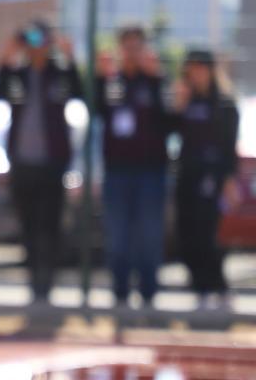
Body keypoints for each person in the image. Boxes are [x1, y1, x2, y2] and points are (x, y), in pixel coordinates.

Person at [0, 20, 83, 305]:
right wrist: (8, 55)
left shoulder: (58, 74)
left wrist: (68, 56)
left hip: (52, 165)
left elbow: (80, 92)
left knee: (50, 227)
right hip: (23, 165)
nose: (37, 47)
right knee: (29, 227)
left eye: (42, 40)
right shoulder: (18, 75)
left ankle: (47, 285)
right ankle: (34, 284)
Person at [93, 25, 169, 311]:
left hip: (151, 172)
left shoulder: (155, 82)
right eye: (128, 47)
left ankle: (149, 293)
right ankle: (120, 293)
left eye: (137, 47)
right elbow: (96, 111)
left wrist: (158, 80)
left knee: (149, 234)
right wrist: (99, 78)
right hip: (117, 172)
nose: (132, 53)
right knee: (118, 235)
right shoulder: (112, 83)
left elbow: (170, 120)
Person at [169, 49, 240, 309]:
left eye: (200, 68)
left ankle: (216, 287)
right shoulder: (186, 100)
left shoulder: (223, 103)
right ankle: (200, 287)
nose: (196, 73)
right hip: (187, 175)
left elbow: (229, 145)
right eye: (191, 68)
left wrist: (229, 180)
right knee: (186, 233)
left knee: (207, 234)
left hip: (211, 177)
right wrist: (178, 105)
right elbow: (169, 130)